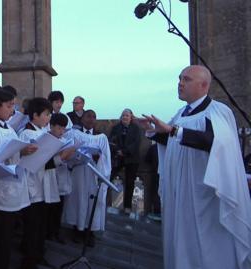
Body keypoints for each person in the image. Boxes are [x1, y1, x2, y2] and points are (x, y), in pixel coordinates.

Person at [138, 65, 251, 269]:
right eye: (180, 78)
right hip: (180, 193)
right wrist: (154, 132)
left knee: (205, 246)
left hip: (204, 196)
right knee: (182, 240)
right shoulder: (182, 113)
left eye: (187, 79)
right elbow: (173, 139)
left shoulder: (218, 111)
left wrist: (173, 131)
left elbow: (213, 141)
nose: (180, 83)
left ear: (204, 85)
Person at [0, 89, 37, 269]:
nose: (12, 110)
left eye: (13, 105)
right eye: (9, 106)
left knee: (7, 236)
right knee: (1, 237)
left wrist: (22, 150)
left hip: (13, 186)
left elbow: (13, 149)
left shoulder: (9, 128)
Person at [63, 110, 111, 244]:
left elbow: (106, 158)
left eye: (94, 117)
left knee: (92, 203)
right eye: (88, 116)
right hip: (78, 173)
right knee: (77, 200)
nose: (91, 119)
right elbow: (67, 153)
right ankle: (77, 229)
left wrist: (98, 158)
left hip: (93, 174)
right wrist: (77, 157)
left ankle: (90, 232)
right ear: (82, 119)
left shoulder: (101, 137)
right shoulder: (74, 134)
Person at [18, 97, 52, 269]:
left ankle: (38, 254)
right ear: (35, 115)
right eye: (46, 114)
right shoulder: (26, 134)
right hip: (31, 185)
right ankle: (29, 260)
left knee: (40, 225)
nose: (48, 118)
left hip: (42, 185)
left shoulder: (42, 132)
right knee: (32, 226)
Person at [45, 113, 75, 244]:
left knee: (58, 208)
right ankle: (48, 233)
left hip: (61, 179)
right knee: (49, 210)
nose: (61, 132)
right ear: (51, 126)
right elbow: (45, 162)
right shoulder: (45, 140)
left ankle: (55, 231)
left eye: (64, 129)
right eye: (59, 128)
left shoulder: (63, 141)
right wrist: (61, 157)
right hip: (49, 180)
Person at [109, 108, 142, 213]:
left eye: (127, 115)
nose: (125, 117)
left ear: (131, 117)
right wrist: (118, 151)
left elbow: (136, 143)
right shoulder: (116, 128)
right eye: (123, 115)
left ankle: (127, 207)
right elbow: (111, 141)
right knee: (108, 177)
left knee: (130, 182)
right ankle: (103, 202)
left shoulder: (136, 129)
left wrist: (125, 152)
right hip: (118, 157)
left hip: (131, 158)